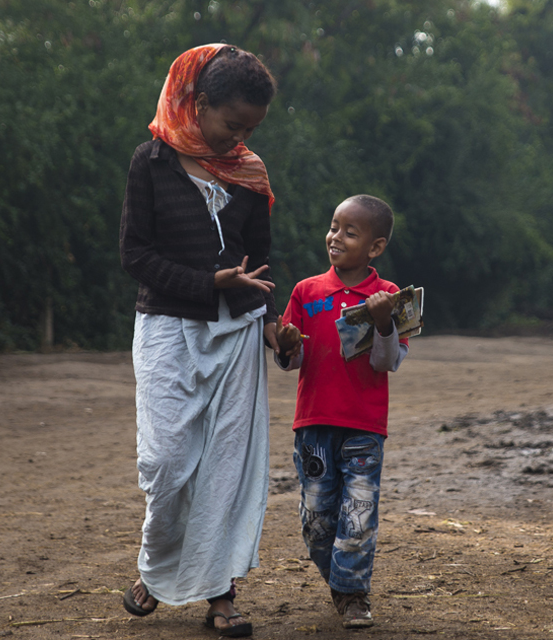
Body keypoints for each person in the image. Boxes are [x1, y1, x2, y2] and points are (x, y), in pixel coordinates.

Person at [118, 43, 280, 638]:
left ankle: (221, 594)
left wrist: (271, 325)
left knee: (223, 468)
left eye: (250, 129)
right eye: (231, 123)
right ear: (200, 101)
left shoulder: (250, 174)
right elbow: (135, 255)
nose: (237, 138)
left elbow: (261, 262)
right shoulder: (151, 161)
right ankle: (156, 569)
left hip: (236, 334)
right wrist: (207, 282)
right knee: (167, 461)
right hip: (165, 326)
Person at [274, 195, 408, 629]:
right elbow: (290, 360)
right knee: (317, 520)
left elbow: (387, 362)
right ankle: (339, 579)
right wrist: (287, 345)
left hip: (364, 426)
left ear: (376, 247)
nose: (336, 237)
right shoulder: (306, 291)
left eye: (350, 232)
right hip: (313, 425)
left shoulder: (389, 297)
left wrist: (384, 322)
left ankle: (353, 595)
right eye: (334, 226)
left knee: (359, 513)